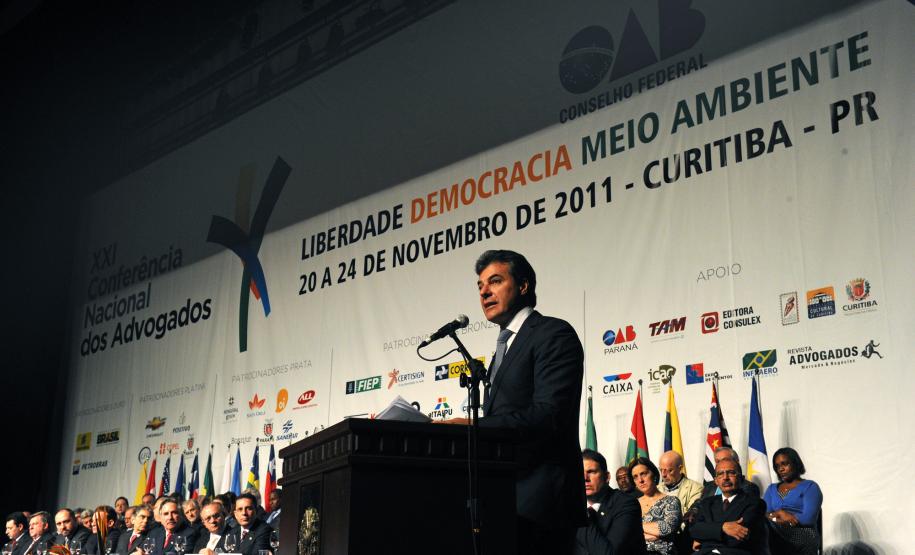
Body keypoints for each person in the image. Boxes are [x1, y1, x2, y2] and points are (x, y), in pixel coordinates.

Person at [454, 249, 587, 553]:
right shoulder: (503, 347)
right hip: (503, 501)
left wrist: (476, 426)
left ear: (523, 285)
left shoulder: (553, 333)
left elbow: (549, 415)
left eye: (495, 281)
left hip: (542, 505)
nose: (484, 292)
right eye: (480, 286)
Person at [575, 450, 647, 555]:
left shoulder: (626, 503)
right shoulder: (568, 506)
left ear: (607, 477)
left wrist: (580, 514)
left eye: (591, 472)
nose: (585, 478)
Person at [690, 459, 768, 555]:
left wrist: (705, 537)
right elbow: (694, 530)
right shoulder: (707, 503)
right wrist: (723, 527)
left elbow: (738, 539)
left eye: (731, 473)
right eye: (720, 474)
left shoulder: (755, 503)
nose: (725, 478)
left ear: (742, 478)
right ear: (716, 481)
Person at [763, 447, 823, 555]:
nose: (781, 469)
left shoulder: (810, 487)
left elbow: (808, 519)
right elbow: (764, 514)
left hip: (803, 532)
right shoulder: (771, 489)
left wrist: (777, 518)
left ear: (795, 463)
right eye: (777, 466)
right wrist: (781, 515)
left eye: (784, 464)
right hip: (774, 532)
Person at [629, 457, 680, 554]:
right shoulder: (631, 504)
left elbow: (666, 528)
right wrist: (651, 531)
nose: (640, 480)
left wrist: (635, 528)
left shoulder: (671, 501)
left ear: (654, 474)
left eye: (643, 474)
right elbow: (624, 532)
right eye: (635, 477)